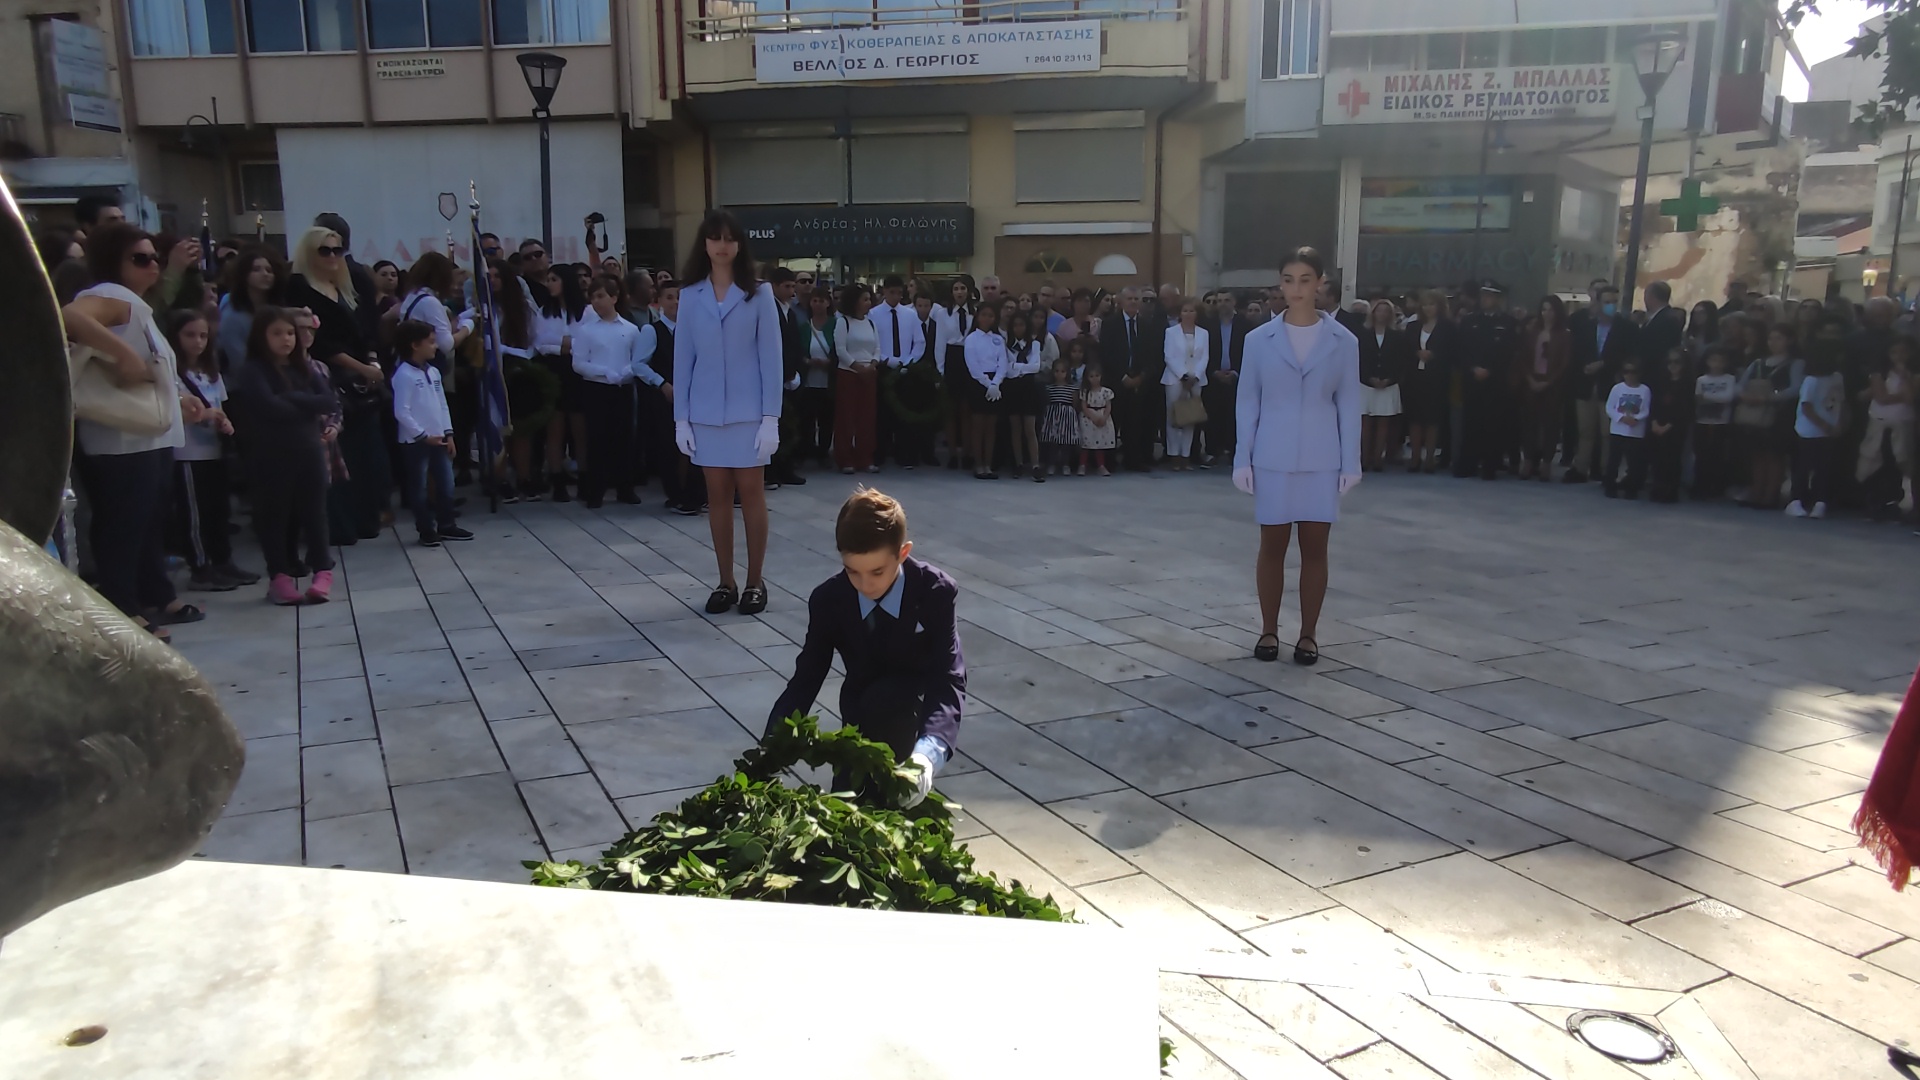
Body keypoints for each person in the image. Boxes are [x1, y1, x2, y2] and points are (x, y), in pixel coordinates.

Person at [764, 488, 964, 807]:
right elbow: (807, 677)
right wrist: (772, 744)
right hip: (857, 716)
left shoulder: (934, 591)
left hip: (910, 714)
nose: (865, 585)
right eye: (852, 571)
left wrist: (928, 755)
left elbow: (948, 678)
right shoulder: (829, 599)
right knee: (846, 806)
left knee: (895, 803)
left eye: (877, 572)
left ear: (902, 553)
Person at [63, 223, 207, 642]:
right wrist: (121, 352)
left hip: (145, 433)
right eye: (140, 259)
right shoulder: (111, 295)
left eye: (154, 258)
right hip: (121, 438)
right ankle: (123, 607)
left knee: (146, 521)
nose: (152, 266)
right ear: (114, 262)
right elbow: (70, 316)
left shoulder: (135, 305)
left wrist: (179, 399)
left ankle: (155, 593)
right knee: (123, 523)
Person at [1233, 247, 1361, 667]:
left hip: (1322, 457)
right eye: (1289, 280)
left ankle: (1308, 634)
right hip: (1272, 454)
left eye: (1306, 279)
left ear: (1320, 283)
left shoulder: (1343, 341)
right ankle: (1268, 629)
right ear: (1280, 283)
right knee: (1272, 545)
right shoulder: (1258, 340)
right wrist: (1242, 457)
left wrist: (1351, 461)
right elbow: (1248, 400)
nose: (1297, 288)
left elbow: (1349, 402)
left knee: (1315, 548)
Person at [673, 210, 785, 617]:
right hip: (705, 413)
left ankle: (755, 581)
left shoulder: (758, 293)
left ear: (740, 245)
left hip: (749, 412)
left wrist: (771, 418)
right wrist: (681, 418)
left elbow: (771, 358)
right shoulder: (690, 295)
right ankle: (726, 582)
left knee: (751, 495)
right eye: (715, 238)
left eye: (729, 238)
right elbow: (683, 358)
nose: (722, 246)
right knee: (717, 498)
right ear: (704, 244)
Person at [227, 307, 339, 605]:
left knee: (315, 513)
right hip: (270, 454)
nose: (286, 339)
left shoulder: (304, 368)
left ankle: (323, 571)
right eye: (277, 333)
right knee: (274, 516)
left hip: (309, 450)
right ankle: (279, 576)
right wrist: (305, 405)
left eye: (290, 333)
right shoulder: (253, 370)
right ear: (261, 336)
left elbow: (328, 401)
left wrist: (291, 398)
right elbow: (268, 407)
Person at [287, 225, 389, 544]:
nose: (332, 256)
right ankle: (339, 526)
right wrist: (361, 367)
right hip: (325, 380)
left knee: (366, 457)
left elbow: (368, 330)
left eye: (337, 249)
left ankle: (365, 519)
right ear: (310, 253)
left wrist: (372, 363)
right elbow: (320, 343)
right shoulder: (299, 287)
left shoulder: (347, 285)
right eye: (324, 250)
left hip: (362, 383)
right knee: (336, 456)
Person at [164, 309, 254, 592]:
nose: (197, 342)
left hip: (214, 451)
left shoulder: (211, 372)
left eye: (203, 335)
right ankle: (200, 568)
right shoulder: (171, 375)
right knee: (194, 515)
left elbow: (221, 406)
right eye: (190, 335)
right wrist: (203, 415)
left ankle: (223, 560)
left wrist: (223, 421)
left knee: (218, 510)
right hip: (186, 455)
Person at [574, 275, 662, 508]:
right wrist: (603, 371)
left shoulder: (631, 329)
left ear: (614, 298)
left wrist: (627, 371)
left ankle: (625, 487)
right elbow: (579, 363)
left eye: (601, 296)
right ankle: (596, 490)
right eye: (593, 297)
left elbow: (639, 359)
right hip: (596, 388)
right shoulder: (586, 330)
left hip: (623, 388)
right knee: (597, 439)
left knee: (624, 438)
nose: (596, 301)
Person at [391, 319, 476, 546]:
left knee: (446, 483)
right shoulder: (404, 375)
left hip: (439, 438)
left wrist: (448, 433)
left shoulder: (434, 372)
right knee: (418, 487)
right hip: (416, 442)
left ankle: (447, 524)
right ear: (414, 345)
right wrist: (422, 435)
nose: (435, 346)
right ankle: (426, 529)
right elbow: (401, 411)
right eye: (430, 342)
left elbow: (442, 404)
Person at [1566, 283, 1636, 484]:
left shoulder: (1627, 328)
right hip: (1586, 384)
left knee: (1607, 432)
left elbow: (1628, 355)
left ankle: (1607, 471)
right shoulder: (1586, 326)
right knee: (1585, 430)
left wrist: (1604, 364)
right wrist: (1585, 366)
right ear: (1598, 302)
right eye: (1606, 302)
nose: (1610, 306)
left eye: (1614, 302)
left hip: (1611, 384)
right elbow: (1576, 351)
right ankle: (1581, 468)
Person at [1736, 326, 1806, 510]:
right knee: (1757, 454)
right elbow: (1740, 385)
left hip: (1780, 415)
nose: (1773, 343)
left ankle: (1770, 495)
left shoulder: (1795, 363)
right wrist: (1744, 395)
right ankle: (1757, 491)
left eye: (1779, 338)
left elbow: (1796, 388)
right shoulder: (1758, 363)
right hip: (1755, 414)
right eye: (1771, 338)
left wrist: (1770, 398)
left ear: (1789, 340)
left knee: (1775, 455)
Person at [1455, 281, 1516, 479]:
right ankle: (1468, 463)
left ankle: (1490, 465)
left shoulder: (1507, 322)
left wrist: (1491, 370)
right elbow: (1462, 349)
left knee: (1493, 423)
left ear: (1497, 298)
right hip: (1472, 379)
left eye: (1490, 296)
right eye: (1483, 295)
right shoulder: (1469, 320)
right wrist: (1473, 368)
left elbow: (1509, 352)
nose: (1485, 299)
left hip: (1495, 380)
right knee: (1471, 421)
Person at [1100, 288, 1163, 472]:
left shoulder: (1146, 325)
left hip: (1139, 381)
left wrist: (1141, 376)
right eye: (1129, 298)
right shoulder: (1110, 324)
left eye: (1136, 298)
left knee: (1135, 422)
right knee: (1114, 421)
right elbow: (1106, 353)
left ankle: (1133, 459)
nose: (1133, 302)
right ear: (1121, 301)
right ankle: (1110, 461)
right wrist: (1123, 376)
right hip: (1116, 380)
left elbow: (1151, 354)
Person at [1787, 337, 1846, 518]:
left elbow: (1841, 402)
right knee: (1806, 466)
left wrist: (1838, 423)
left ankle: (1819, 501)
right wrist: (1826, 426)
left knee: (1821, 467)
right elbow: (1807, 407)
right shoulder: (1812, 380)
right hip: (1810, 430)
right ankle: (1799, 500)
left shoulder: (1836, 378)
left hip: (1827, 429)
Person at [1857, 333, 1916, 511]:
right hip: (1880, 423)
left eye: (1903, 352)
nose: (1899, 357)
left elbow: (1910, 398)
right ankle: (1874, 499)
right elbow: (1881, 397)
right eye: (1894, 352)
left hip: (1903, 422)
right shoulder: (1879, 373)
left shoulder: (1913, 374)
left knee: (1899, 461)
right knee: (1876, 459)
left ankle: (1893, 499)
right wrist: (1899, 397)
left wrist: (1905, 377)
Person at [1515, 294, 1570, 481]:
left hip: (1552, 384)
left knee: (1550, 424)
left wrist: (1549, 381)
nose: (1547, 313)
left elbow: (1564, 363)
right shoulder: (1532, 333)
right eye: (1544, 309)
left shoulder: (1564, 335)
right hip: (1532, 381)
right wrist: (1530, 379)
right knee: (1529, 423)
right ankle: (1528, 460)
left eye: (1551, 310)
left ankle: (1546, 462)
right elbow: (1523, 358)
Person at [872, 275, 922, 469]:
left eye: (899, 293)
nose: (895, 296)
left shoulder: (910, 315)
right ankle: (880, 453)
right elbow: (873, 342)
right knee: (882, 413)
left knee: (904, 413)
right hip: (884, 367)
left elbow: (919, 341)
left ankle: (904, 454)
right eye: (892, 292)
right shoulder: (874, 314)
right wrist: (887, 360)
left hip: (905, 368)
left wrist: (907, 362)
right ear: (884, 292)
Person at [833, 281, 882, 475]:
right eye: (864, 299)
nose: (868, 303)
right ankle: (845, 458)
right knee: (846, 417)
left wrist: (872, 365)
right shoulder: (843, 322)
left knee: (867, 417)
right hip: (848, 374)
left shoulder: (871, 323)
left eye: (869, 299)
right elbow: (840, 349)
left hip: (869, 374)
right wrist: (856, 366)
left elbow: (877, 348)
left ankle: (865, 458)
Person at [1402, 290, 1453, 474]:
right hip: (1415, 378)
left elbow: (1452, 351)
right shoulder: (1412, 326)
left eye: (1431, 304)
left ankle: (1430, 457)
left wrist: (1434, 355)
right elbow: (1405, 349)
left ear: (1439, 306)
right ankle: (1415, 457)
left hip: (1437, 378)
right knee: (1415, 418)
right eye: (1425, 304)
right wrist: (1417, 353)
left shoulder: (1448, 327)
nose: (1428, 308)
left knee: (1433, 419)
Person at [1357, 297, 1407, 473]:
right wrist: (1368, 377)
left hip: (1388, 384)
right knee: (1366, 423)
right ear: (1373, 312)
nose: (1382, 314)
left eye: (1386, 311)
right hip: (1366, 383)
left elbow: (1401, 361)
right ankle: (1365, 459)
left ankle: (1378, 459)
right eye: (1379, 310)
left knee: (1383, 423)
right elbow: (1358, 359)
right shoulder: (1362, 334)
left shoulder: (1397, 336)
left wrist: (1389, 379)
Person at [217, 247, 287, 372]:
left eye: (269, 270)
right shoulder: (233, 317)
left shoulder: (278, 310)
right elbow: (238, 360)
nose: (265, 274)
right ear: (243, 274)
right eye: (256, 269)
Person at [1161, 297, 1209, 472]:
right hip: (1174, 379)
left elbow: (1205, 357)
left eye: (1192, 311)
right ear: (1180, 313)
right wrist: (1183, 376)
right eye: (1185, 311)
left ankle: (1185, 456)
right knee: (1174, 417)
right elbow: (1169, 356)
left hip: (1196, 379)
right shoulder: (1171, 332)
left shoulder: (1203, 333)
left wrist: (1195, 376)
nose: (1188, 314)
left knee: (1190, 417)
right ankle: (1174, 455)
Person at [935, 277, 977, 469]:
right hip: (952, 358)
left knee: (967, 410)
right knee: (951, 410)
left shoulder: (975, 312)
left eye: (963, 288)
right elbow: (939, 342)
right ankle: (953, 454)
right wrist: (941, 370)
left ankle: (967, 453)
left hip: (970, 358)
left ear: (969, 291)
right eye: (956, 289)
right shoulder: (943, 314)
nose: (959, 292)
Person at [963, 304, 1008, 480]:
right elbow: (972, 364)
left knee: (991, 426)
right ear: (977, 317)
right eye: (984, 315)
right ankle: (978, 464)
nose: (987, 319)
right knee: (978, 426)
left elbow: (1002, 362)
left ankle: (988, 464)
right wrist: (987, 383)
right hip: (978, 382)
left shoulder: (998, 339)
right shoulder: (971, 339)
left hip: (995, 383)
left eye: (991, 315)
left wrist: (996, 383)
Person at [1202, 291, 1246, 469]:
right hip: (1213, 377)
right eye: (1219, 300)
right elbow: (1202, 350)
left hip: (1237, 377)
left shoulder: (1245, 324)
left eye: (1227, 300)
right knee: (1212, 415)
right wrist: (1213, 371)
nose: (1222, 304)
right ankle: (1212, 451)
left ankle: (1233, 451)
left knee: (1234, 416)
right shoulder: (1208, 325)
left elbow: (1248, 351)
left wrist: (1235, 372)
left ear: (1234, 302)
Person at [795, 285, 838, 466]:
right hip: (809, 380)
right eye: (815, 300)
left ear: (828, 303)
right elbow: (798, 351)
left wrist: (830, 363)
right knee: (807, 419)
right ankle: (807, 450)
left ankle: (823, 452)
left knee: (827, 419)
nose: (818, 304)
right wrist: (807, 361)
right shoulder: (804, 327)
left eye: (822, 300)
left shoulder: (836, 324)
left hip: (829, 381)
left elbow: (840, 349)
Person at [1004, 310, 1049, 480]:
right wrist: (1021, 368)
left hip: (1029, 388)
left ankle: (1035, 465)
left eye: (1021, 325)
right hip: (1012, 388)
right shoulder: (1006, 345)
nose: (1018, 328)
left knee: (1030, 428)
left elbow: (1035, 367)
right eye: (1015, 325)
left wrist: (1016, 367)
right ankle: (1018, 463)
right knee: (1015, 428)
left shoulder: (1034, 344)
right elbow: (1006, 369)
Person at [1648, 348, 1694, 503]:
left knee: (1672, 459)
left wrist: (1668, 426)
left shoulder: (1688, 384)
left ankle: (1670, 490)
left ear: (1684, 364)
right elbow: (1653, 404)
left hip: (1676, 427)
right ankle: (1657, 487)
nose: (1673, 365)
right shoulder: (1660, 381)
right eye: (1669, 362)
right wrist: (1654, 422)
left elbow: (1686, 409)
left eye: (1677, 362)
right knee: (1657, 458)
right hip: (1657, 424)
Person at [1693, 345, 1738, 499]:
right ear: (1707, 361)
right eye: (1713, 360)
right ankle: (1700, 486)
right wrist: (1715, 400)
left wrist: (1707, 398)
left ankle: (1716, 487)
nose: (1717, 364)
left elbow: (1728, 397)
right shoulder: (1701, 380)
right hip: (1702, 420)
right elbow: (1698, 398)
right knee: (1701, 454)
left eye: (1720, 361)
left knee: (1717, 455)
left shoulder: (1729, 379)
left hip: (1721, 422)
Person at [1602, 361, 1651, 499]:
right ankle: (1610, 486)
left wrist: (1636, 418)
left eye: (1633, 372)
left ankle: (1631, 488)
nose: (1630, 375)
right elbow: (1609, 407)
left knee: (1634, 462)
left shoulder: (1645, 390)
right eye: (1626, 371)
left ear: (1639, 373)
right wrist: (1621, 418)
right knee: (1614, 460)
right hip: (1617, 430)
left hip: (1636, 432)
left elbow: (1646, 409)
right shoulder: (1617, 388)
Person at [1040, 356, 1080, 477]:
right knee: (1053, 443)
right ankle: (1052, 464)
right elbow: (1047, 401)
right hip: (1053, 416)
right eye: (1057, 371)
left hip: (1067, 416)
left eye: (1063, 371)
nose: (1059, 374)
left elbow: (1075, 402)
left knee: (1066, 443)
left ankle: (1065, 464)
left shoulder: (1072, 387)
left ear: (1067, 373)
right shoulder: (1049, 387)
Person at [1078, 360, 1114, 476]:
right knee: (1086, 443)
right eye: (1091, 376)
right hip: (1088, 419)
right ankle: (1082, 465)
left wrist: (1104, 417)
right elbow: (1084, 406)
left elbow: (1108, 406)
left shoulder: (1106, 392)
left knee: (1100, 444)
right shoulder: (1085, 392)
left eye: (1097, 376)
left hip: (1102, 417)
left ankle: (1101, 465)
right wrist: (1092, 417)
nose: (1094, 379)